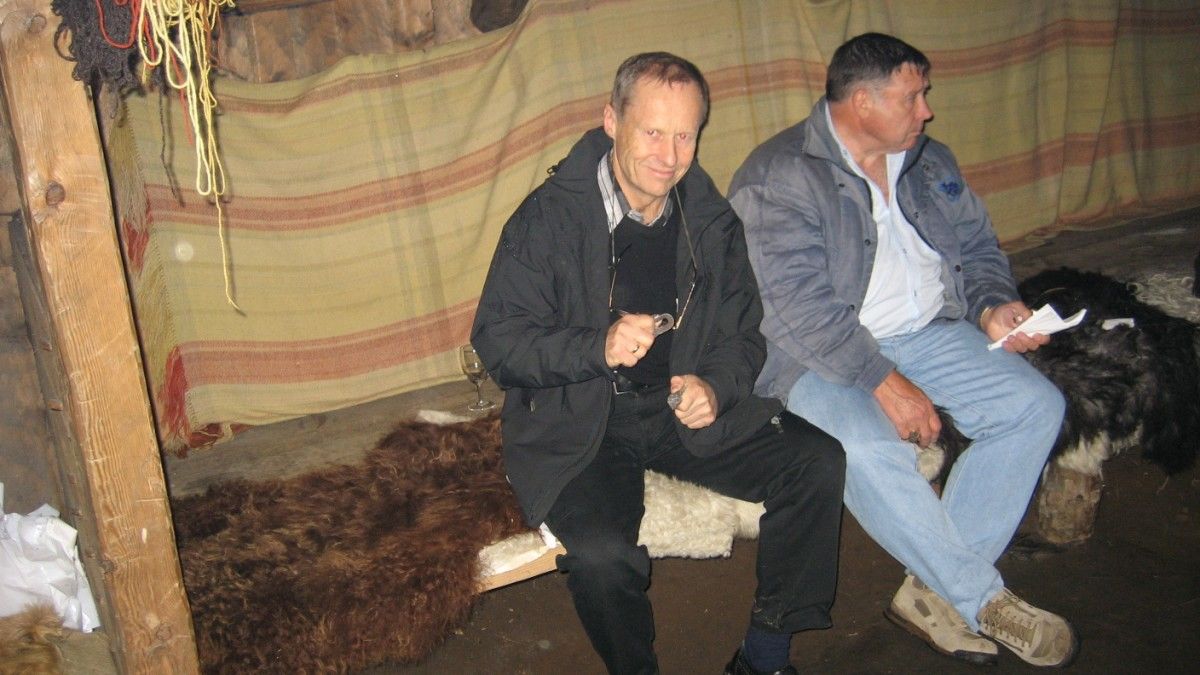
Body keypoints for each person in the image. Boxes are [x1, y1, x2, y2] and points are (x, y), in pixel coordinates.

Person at [471, 52, 845, 675]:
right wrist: (595, 346)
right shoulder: (548, 220)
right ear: (611, 121)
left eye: (685, 136)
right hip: (583, 420)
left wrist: (716, 387)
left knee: (817, 463)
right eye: (652, 131)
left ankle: (765, 654)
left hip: (678, 410)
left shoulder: (709, 219)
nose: (669, 157)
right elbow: (499, 341)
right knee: (601, 557)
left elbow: (743, 332)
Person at [728, 33, 1078, 668]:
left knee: (1034, 406)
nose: (927, 111)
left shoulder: (927, 159)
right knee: (865, 449)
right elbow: (794, 307)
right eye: (912, 98)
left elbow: (978, 246)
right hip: (817, 354)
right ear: (862, 103)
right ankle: (983, 600)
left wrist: (992, 304)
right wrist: (885, 382)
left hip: (929, 330)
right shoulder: (779, 176)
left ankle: (932, 594)